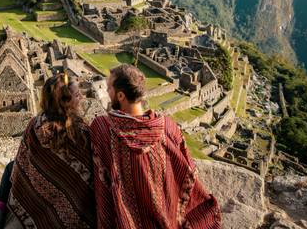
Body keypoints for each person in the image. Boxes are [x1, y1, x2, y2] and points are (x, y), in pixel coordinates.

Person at [90, 64, 221, 229]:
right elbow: (188, 168)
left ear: (121, 95)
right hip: (169, 220)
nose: (107, 92)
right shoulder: (168, 126)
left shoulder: (103, 128)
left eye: (109, 88)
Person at [0, 73, 96, 229]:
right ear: (66, 101)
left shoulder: (36, 124)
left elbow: (23, 158)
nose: (82, 97)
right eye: (77, 95)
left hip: (39, 185)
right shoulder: (81, 132)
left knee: (11, 167)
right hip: (63, 191)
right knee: (12, 167)